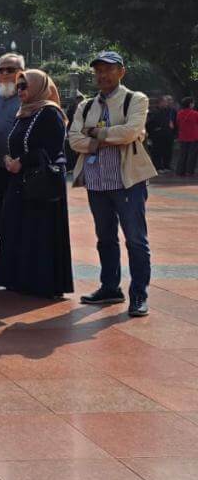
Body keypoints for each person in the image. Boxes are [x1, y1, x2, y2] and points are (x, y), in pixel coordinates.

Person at [69, 51, 157, 317]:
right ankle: (110, 287)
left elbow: (130, 132)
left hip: (127, 181)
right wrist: (111, 137)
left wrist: (94, 133)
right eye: (98, 70)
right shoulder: (86, 106)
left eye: (108, 69)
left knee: (135, 240)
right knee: (105, 238)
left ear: (122, 71)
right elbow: (74, 139)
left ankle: (139, 294)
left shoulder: (135, 99)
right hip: (97, 182)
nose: (102, 75)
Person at [0, 70, 73, 298]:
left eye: (25, 86)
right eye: (18, 87)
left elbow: (53, 149)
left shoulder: (50, 113)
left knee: (39, 230)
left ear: (40, 86)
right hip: (20, 178)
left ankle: (41, 282)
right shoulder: (25, 113)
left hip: (41, 181)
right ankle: (19, 278)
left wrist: (22, 161)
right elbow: (17, 144)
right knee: (17, 228)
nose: (21, 91)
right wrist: (9, 159)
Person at [0, 52, 25, 264]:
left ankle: (11, 268)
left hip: (17, 169)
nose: (6, 73)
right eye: (1, 69)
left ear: (21, 73)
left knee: (14, 221)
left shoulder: (29, 96)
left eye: (11, 69)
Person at [175, 97, 198, 176]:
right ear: (190, 104)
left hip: (183, 136)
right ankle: (189, 170)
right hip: (194, 136)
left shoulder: (179, 113)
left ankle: (180, 170)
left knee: (182, 154)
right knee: (192, 155)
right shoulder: (195, 113)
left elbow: (177, 123)